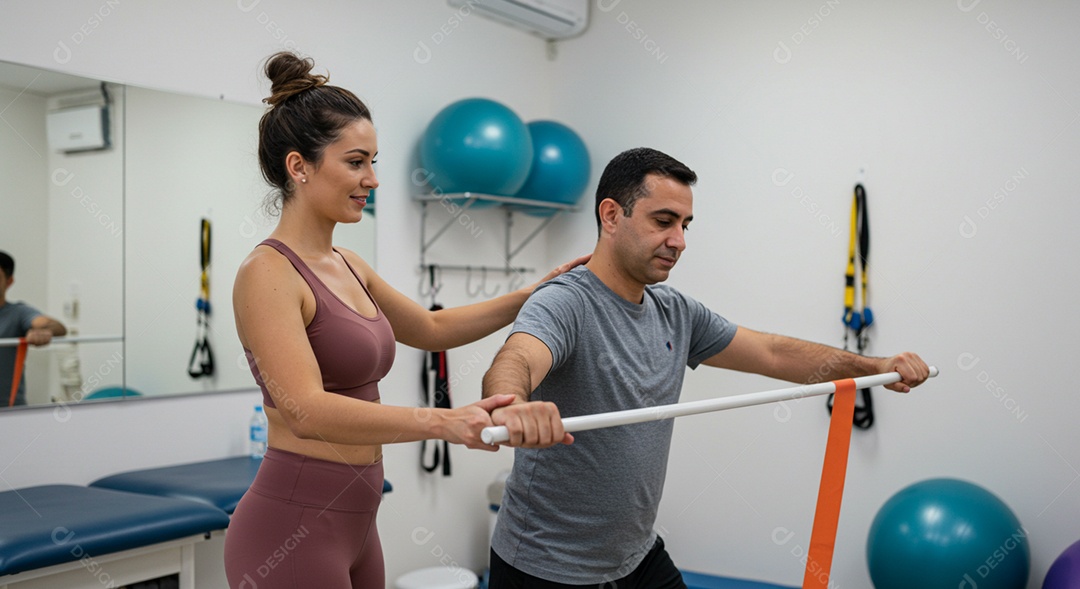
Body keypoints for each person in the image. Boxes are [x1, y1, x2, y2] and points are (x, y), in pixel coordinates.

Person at [481, 147, 932, 588]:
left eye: (685, 225)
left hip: (635, 557)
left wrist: (875, 365)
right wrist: (512, 405)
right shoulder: (564, 301)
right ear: (612, 215)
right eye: (663, 221)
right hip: (544, 569)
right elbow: (517, 358)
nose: (678, 241)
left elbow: (774, 354)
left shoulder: (675, 310)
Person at [222, 52, 587, 589]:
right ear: (298, 167)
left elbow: (431, 330)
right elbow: (304, 410)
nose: (372, 178)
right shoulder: (267, 273)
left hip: (358, 522)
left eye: (374, 160)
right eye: (355, 162)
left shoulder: (349, 264)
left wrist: (533, 294)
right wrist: (443, 421)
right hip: (290, 525)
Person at [0, 250, 67, 407]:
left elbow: (56, 326)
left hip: (9, 411)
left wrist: (44, 331)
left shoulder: (18, 312)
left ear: (9, 282)